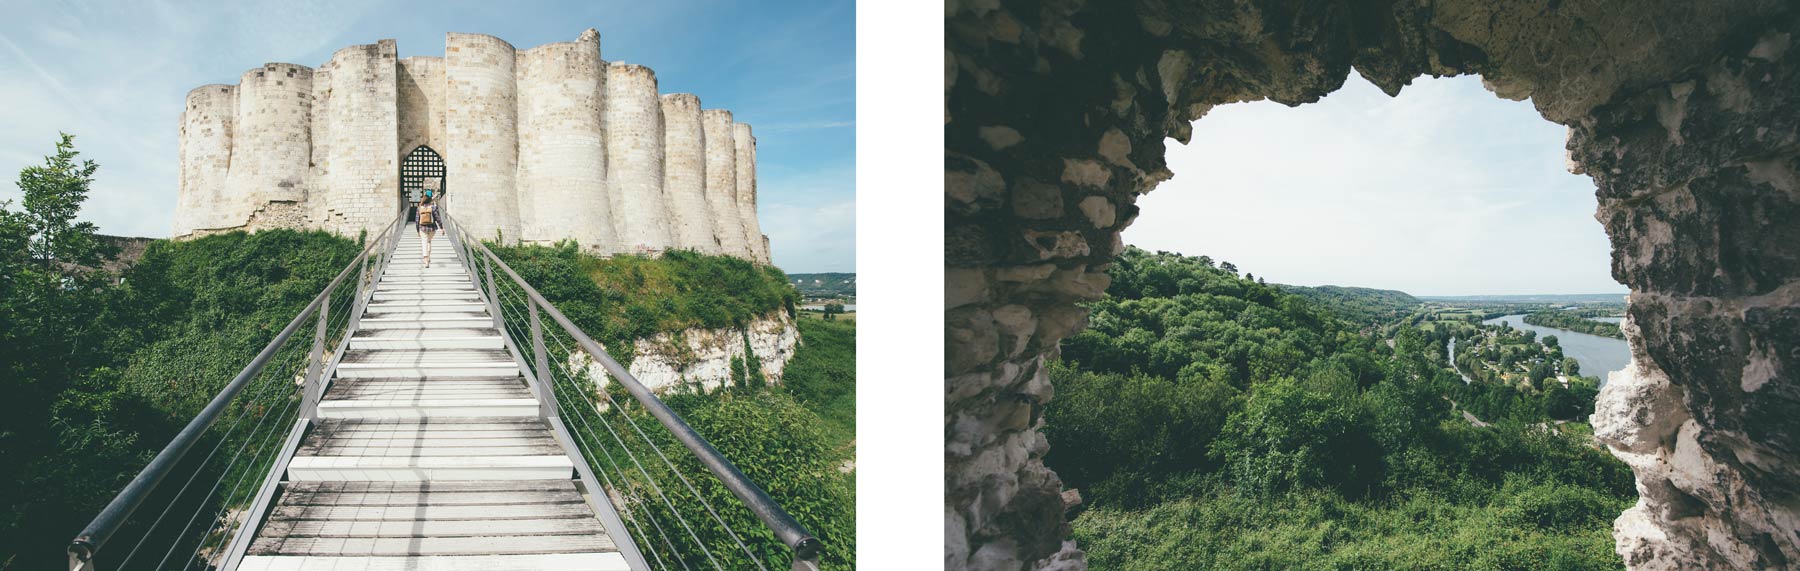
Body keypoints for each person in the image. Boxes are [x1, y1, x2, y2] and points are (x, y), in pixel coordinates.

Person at [417, 195, 439, 268]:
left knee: (424, 243)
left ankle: (426, 261)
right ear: (430, 200)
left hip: (423, 228)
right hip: (432, 228)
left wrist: (417, 230)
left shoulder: (419, 208)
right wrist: (442, 227)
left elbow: (417, 220)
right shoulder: (433, 207)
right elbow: (437, 218)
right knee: (428, 241)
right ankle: (429, 258)